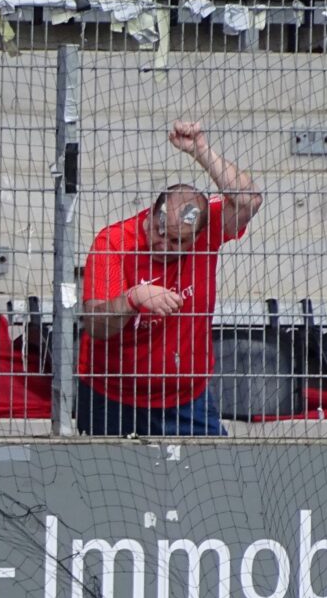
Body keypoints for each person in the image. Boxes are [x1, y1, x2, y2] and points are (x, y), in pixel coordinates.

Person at [77, 121, 262, 438]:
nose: (163, 245)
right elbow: (95, 324)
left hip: (186, 396)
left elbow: (248, 200)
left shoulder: (208, 229)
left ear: (198, 235)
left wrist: (201, 150)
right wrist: (133, 298)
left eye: (177, 241)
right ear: (150, 214)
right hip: (112, 393)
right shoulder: (115, 242)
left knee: (212, 466)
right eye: (159, 231)